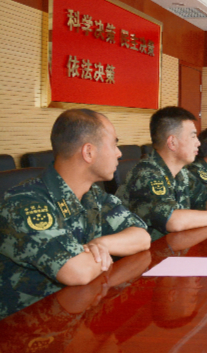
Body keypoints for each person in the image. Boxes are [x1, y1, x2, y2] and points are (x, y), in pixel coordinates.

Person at [0, 109, 151, 318]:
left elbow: (142, 237)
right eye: (114, 144)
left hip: (80, 314)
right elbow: (77, 271)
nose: (119, 153)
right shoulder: (26, 203)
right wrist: (93, 255)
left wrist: (99, 245)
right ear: (88, 152)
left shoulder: (93, 195)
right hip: (32, 327)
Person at [116, 107, 207, 240]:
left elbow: (205, 197)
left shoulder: (181, 172)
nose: (198, 143)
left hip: (175, 245)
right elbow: (172, 220)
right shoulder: (147, 173)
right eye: (193, 136)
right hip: (149, 251)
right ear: (172, 142)